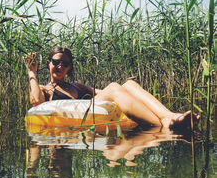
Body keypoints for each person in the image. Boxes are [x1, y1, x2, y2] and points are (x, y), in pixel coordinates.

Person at [24, 46, 199, 130]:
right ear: (48, 64)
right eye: (56, 62)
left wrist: (126, 89)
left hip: (91, 109)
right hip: (77, 118)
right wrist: (32, 72)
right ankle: (165, 125)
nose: (60, 66)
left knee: (128, 84)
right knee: (115, 87)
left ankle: (168, 116)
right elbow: (36, 102)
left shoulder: (76, 86)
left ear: (70, 67)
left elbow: (102, 93)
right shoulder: (44, 89)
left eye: (65, 63)